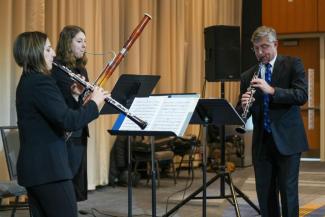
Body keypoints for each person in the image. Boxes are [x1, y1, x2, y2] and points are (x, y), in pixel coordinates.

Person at [13, 31, 108, 217]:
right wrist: (95, 103)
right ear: (35, 53)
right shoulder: (41, 82)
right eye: (48, 49)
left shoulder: (28, 81)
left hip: (37, 170)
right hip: (48, 170)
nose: (54, 54)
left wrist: (75, 96)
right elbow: (69, 121)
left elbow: (53, 118)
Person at [238, 26, 309, 217]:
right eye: (256, 48)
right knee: (265, 196)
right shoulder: (247, 76)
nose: (261, 52)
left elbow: (301, 95)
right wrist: (244, 104)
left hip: (288, 141)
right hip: (262, 144)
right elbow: (241, 114)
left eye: (265, 47)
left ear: (275, 44)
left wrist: (272, 90)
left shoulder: (293, 64)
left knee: (288, 194)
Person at [51, 25, 90, 201]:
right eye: (79, 41)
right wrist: (76, 94)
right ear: (68, 43)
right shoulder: (57, 68)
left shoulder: (81, 70)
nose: (84, 46)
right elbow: (61, 104)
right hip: (66, 132)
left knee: (75, 182)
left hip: (80, 129)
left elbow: (85, 101)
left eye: (85, 42)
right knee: (66, 183)